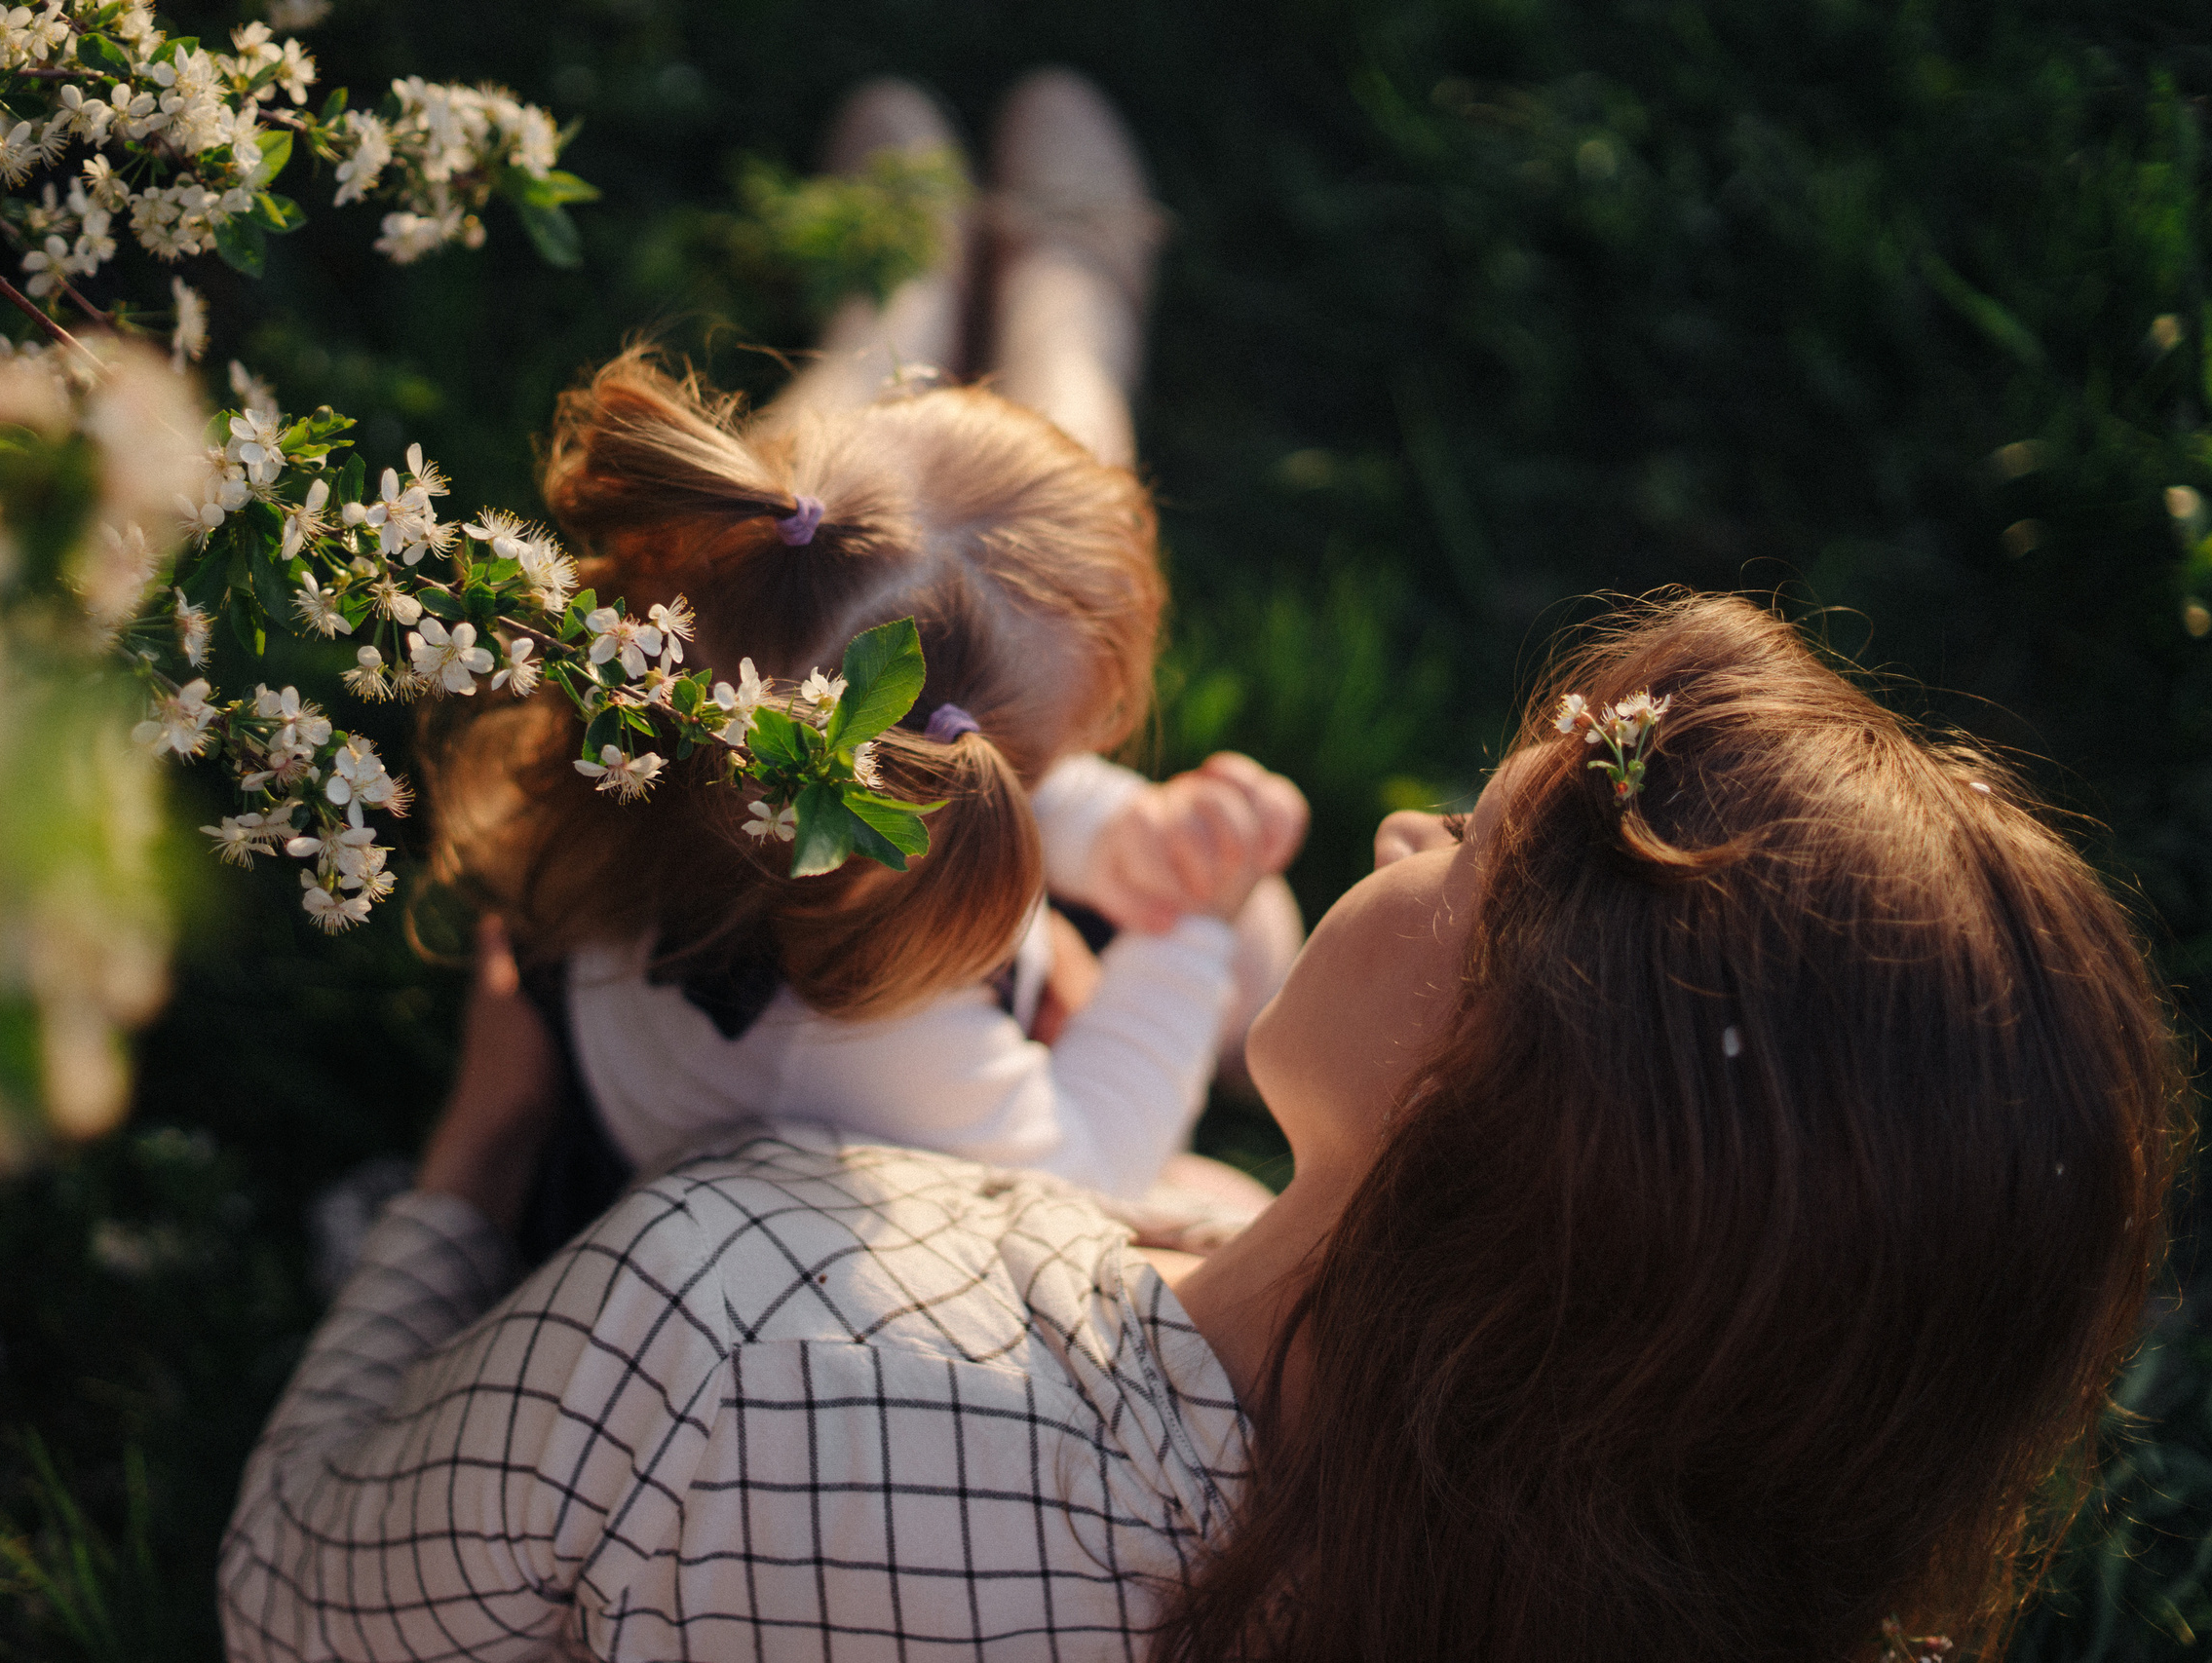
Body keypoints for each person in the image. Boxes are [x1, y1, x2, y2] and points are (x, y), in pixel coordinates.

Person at [220, 593, 2185, 1662]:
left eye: (1470, 845)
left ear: (1486, 1096)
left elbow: (296, 1596)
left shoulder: (755, 1293)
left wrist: (471, 1171)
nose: (1405, 826)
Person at [417, 70, 1306, 1257]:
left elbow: (970, 779)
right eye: (1057, 761)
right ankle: (1048, 285)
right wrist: (1184, 928)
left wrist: (1111, 839)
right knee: (1253, 937)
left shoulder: (656, 762)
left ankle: (909, 278)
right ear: (953, 777)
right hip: (903, 1162)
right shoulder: (870, 1034)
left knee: (925, 556)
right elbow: (1089, 1165)